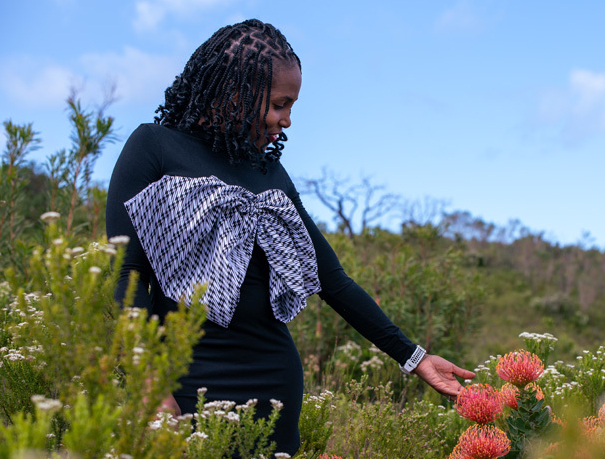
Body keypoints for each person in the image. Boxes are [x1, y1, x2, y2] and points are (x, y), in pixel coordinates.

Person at [106, 19, 474, 455]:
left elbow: (331, 279)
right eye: (281, 104)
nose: (288, 120)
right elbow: (125, 272)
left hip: (273, 383)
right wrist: (151, 386)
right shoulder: (155, 147)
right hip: (185, 382)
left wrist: (414, 357)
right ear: (237, 92)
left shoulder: (270, 174)